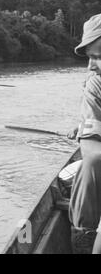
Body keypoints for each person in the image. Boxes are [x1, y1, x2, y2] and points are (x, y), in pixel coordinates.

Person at [69, 13, 101, 254]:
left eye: (98, 57)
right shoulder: (95, 85)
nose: (91, 65)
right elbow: (93, 154)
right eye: (90, 57)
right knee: (87, 168)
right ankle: (83, 240)